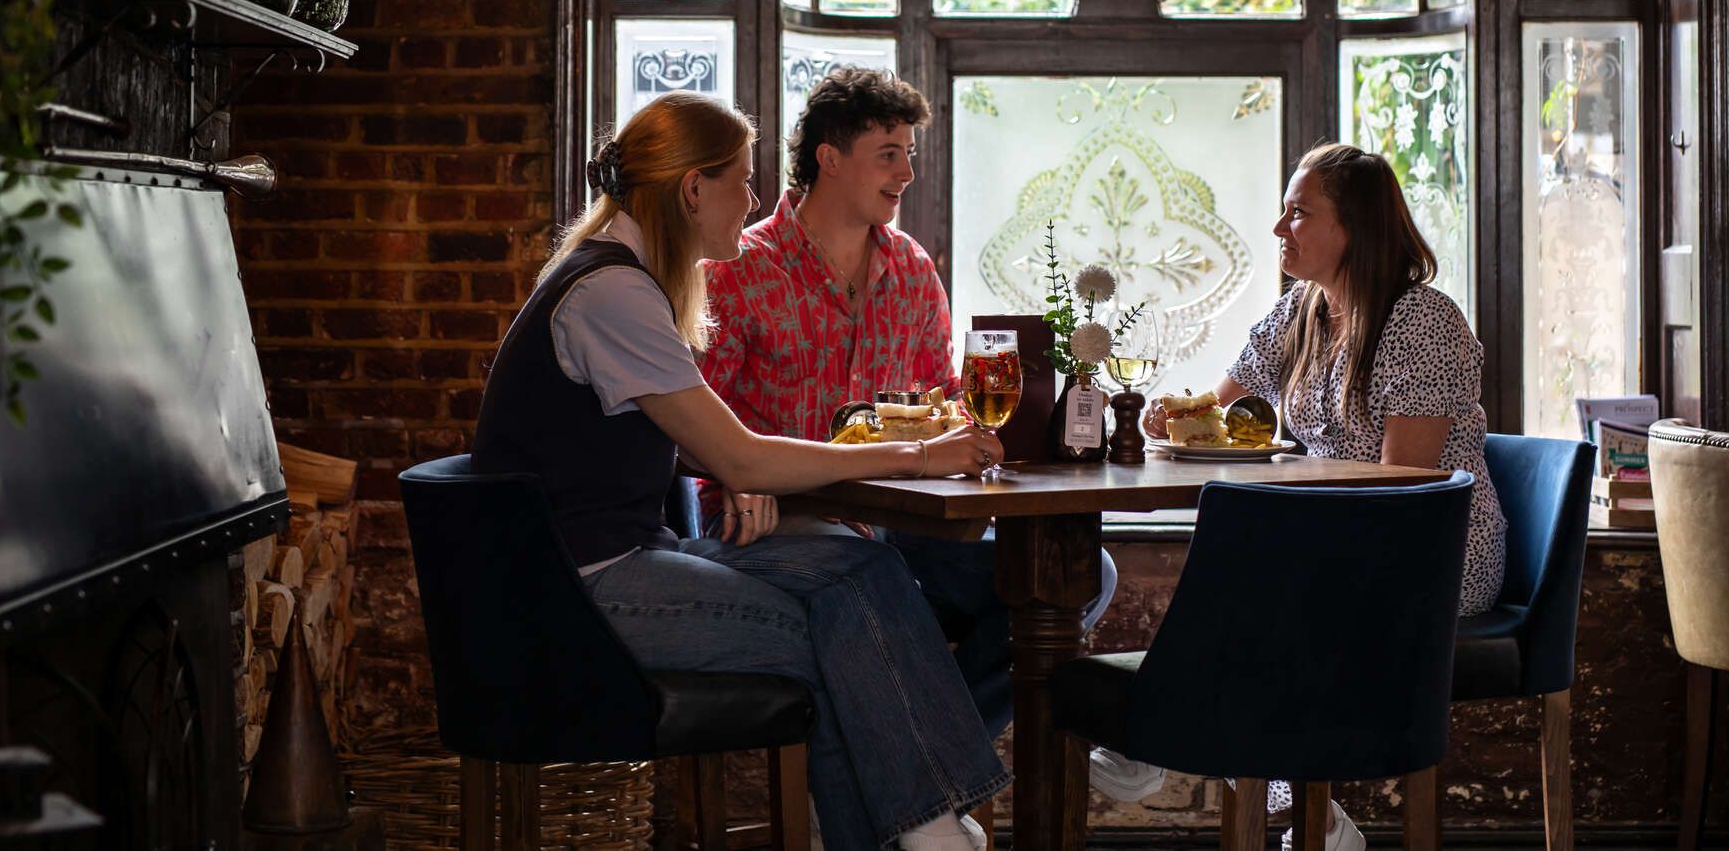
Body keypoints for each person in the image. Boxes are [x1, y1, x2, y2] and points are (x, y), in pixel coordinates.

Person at [473, 91, 1008, 851]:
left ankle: (924, 829)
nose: (754, 201)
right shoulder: (612, 293)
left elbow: (710, 443)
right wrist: (918, 454)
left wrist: (752, 463)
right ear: (693, 188)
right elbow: (736, 454)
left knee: (862, 571)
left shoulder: (625, 280)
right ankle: (929, 834)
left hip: (624, 558)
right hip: (578, 588)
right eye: (743, 182)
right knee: (840, 625)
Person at [700, 69, 1152, 800]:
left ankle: (911, 778)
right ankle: (921, 787)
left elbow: (942, 401)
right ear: (829, 156)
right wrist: (736, 469)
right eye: (888, 153)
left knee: (1076, 575)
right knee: (875, 582)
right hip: (778, 524)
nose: (907, 171)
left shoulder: (912, 272)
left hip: (897, 524)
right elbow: (691, 416)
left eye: (909, 152)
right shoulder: (736, 270)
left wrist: (982, 439)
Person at [1157, 141, 1505, 851]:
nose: (1280, 228)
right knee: (1243, 578)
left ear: (1356, 228)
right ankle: (1313, 817)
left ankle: (1163, 739)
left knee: (1252, 592)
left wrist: (1291, 512)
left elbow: (1400, 490)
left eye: (1298, 213)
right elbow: (1218, 409)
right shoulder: (1301, 312)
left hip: (1435, 552)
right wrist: (1165, 412)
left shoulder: (1421, 320)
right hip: (1335, 544)